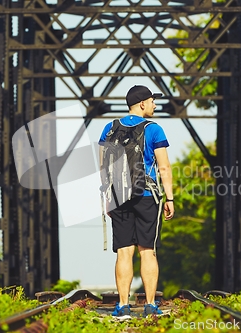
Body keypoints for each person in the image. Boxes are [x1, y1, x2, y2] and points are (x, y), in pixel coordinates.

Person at [98, 85, 175, 319]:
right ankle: (151, 305)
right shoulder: (154, 129)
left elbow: (103, 167)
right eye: (152, 101)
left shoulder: (109, 128)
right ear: (142, 103)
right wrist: (169, 197)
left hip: (119, 197)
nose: (154, 105)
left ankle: (122, 306)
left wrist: (106, 197)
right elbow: (163, 167)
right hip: (146, 196)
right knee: (147, 251)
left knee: (123, 252)